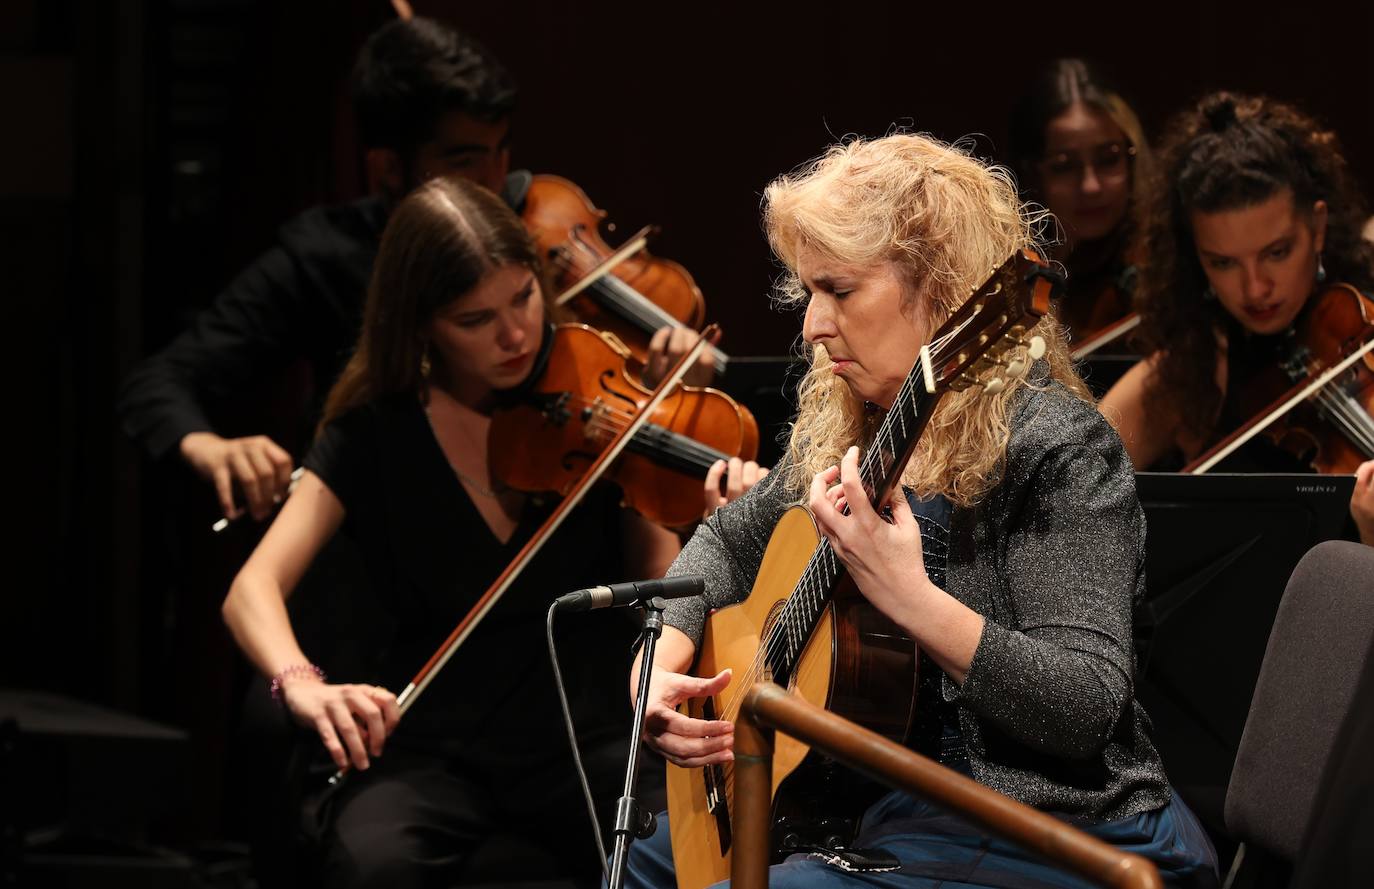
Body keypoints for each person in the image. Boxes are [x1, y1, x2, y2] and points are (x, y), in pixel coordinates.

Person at [620, 133, 1218, 888]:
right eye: (809, 293)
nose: (810, 325)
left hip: (1053, 827)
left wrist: (908, 596)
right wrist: (661, 660)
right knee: (645, 861)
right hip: (889, 806)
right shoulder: (858, 425)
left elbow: (1082, 704)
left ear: (939, 287)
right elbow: (725, 541)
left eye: (838, 291)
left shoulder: (1057, 444)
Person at [221, 176, 688, 888]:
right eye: (475, 319)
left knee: (683, 852)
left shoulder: (597, 396)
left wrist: (674, 477)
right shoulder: (375, 432)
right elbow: (252, 586)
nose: (515, 334)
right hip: (430, 750)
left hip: (581, 737)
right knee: (372, 864)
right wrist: (302, 685)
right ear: (421, 326)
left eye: (524, 298)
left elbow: (657, 577)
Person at [1099, 92, 1374, 546]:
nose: (1254, 289)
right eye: (1224, 263)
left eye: (1277, 253)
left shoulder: (1363, 338)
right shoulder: (1192, 370)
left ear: (1318, 227)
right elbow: (1070, 476)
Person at [1007, 59, 1153, 348]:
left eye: (1109, 159)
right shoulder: (1012, 274)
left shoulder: (1160, 268)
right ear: (1032, 172)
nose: (1091, 185)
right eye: (1064, 166)